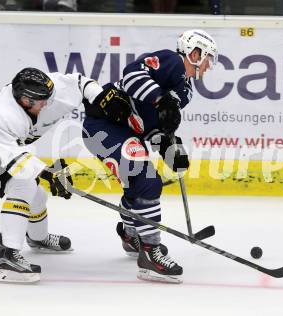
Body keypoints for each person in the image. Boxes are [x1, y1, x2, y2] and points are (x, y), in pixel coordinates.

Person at [0, 67, 126, 283]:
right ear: (25, 100)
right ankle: (7, 257)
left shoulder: (50, 93)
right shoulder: (2, 116)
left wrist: (102, 98)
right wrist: (49, 173)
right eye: (41, 101)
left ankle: (37, 238)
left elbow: (81, 83)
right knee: (23, 185)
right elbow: (16, 161)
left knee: (38, 196)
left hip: (3, 143)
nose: (47, 104)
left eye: (48, 97)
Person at [82, 29, 218, 283]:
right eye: (209, 57)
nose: (210, 64)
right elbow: (131, 75)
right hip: (103, 127)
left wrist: (168, 143)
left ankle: (130, 234)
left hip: (127, 133)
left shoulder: (186, 91)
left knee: (139, 185)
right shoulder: (172, 61)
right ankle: (149, 253)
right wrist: (161, 99)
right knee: (147, 181)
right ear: (195, 53)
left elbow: (153, 126)